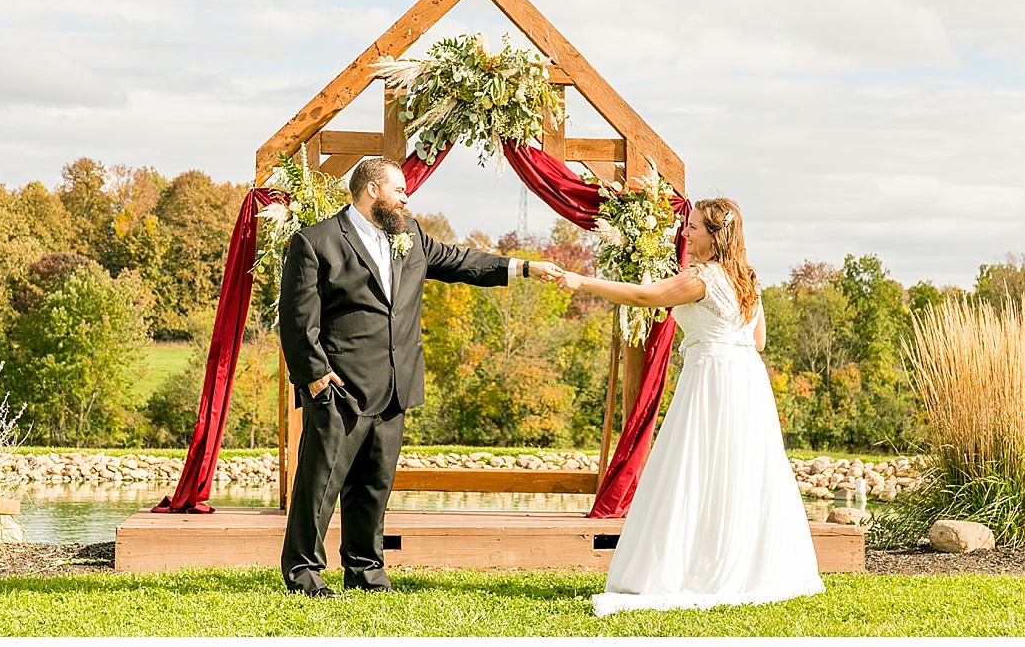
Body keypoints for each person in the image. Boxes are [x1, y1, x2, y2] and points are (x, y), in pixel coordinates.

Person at [278, 157, 563, 597]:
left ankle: (366, 572)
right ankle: (304, 575)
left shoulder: (409, 236)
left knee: (374, 487)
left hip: (396, 387)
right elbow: (297, 317)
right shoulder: (317, 241)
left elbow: (463, 262)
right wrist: (315, 375)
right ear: (372, 190)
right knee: (320, 486)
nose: (406, 198)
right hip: (339, 390)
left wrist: (523, 267)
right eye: (399, 189)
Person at [555, 197, 825, 616]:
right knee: (739, 474)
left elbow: (645, 296)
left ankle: (689, 571)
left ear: (715, 237)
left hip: (712, 380)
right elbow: (758, 342)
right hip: (748, 383)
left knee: (694, 468)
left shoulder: (703, 278)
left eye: (694, 227)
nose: (686, 232)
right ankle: (742, 568)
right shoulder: (748, 279)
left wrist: (580, 281)